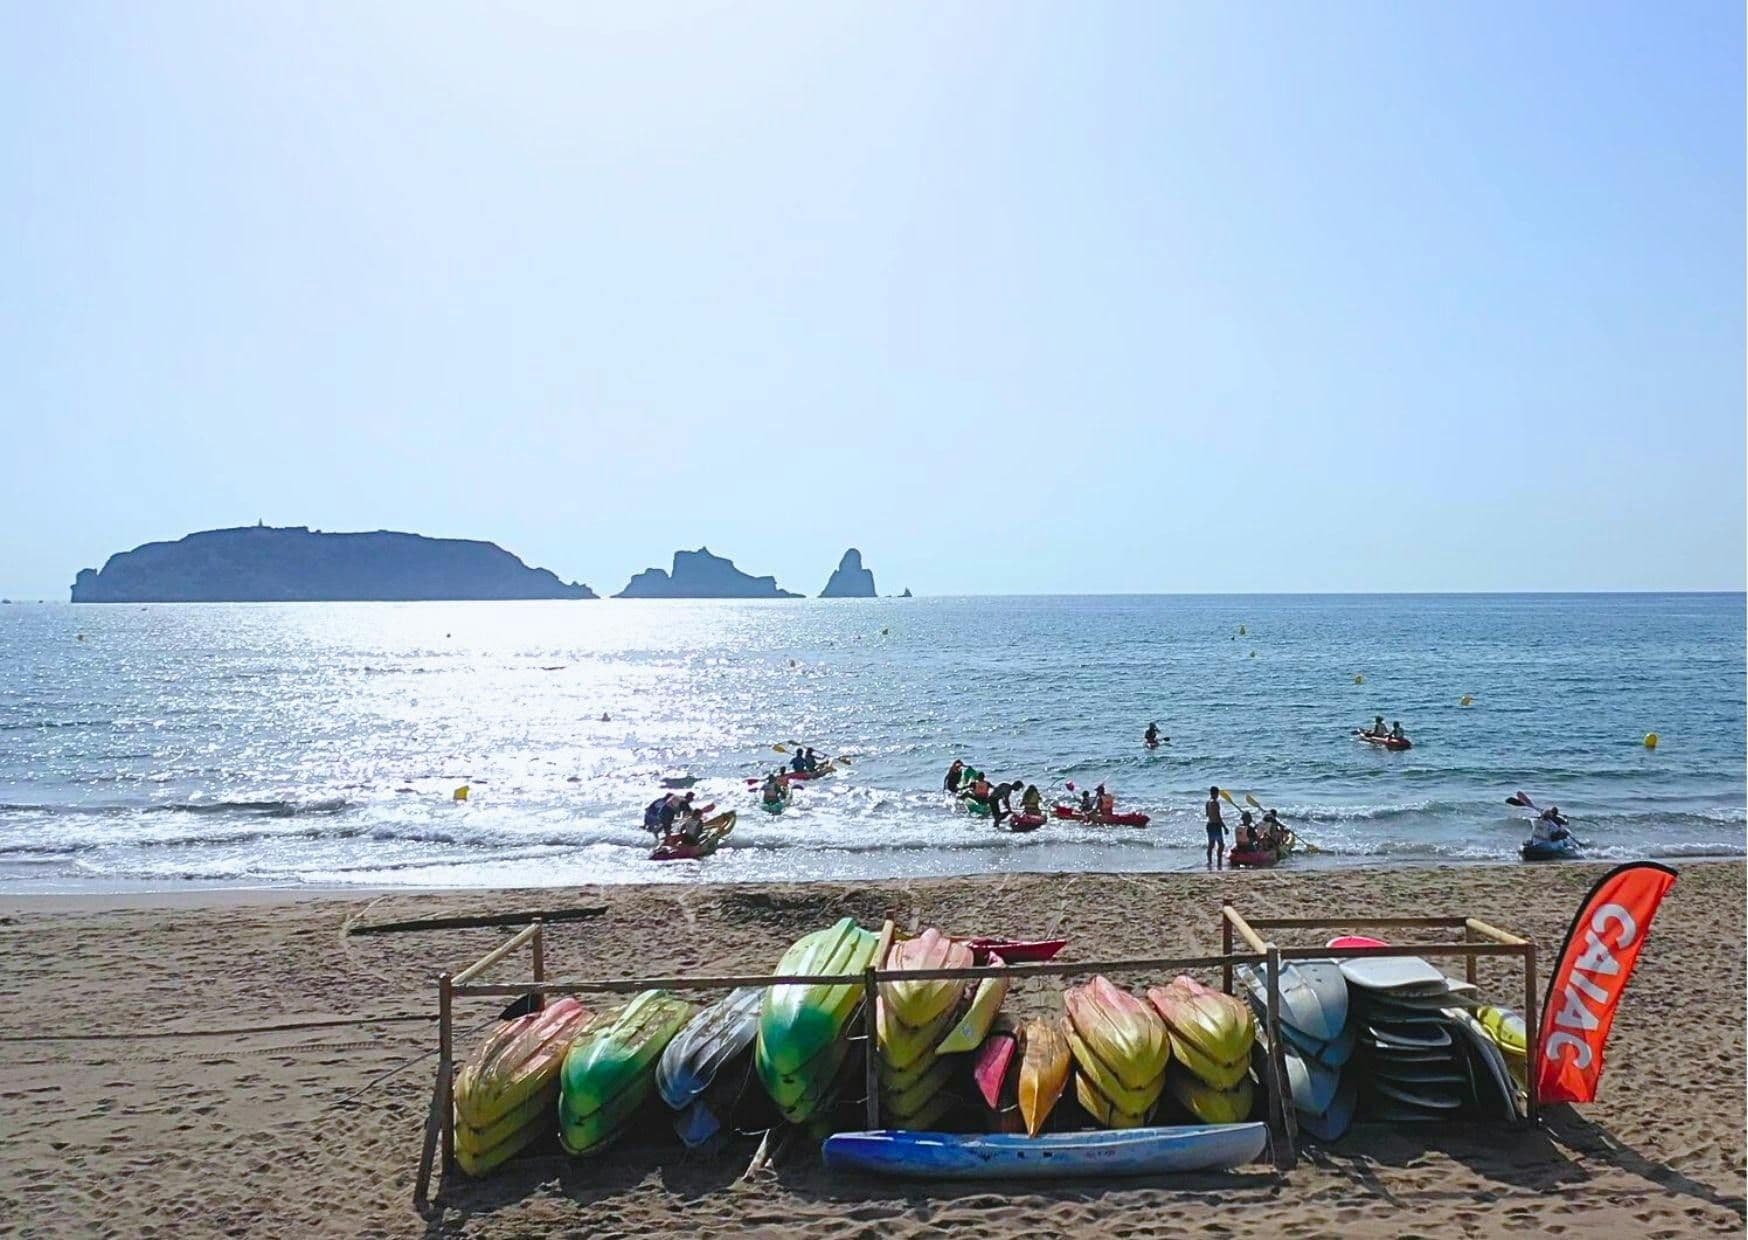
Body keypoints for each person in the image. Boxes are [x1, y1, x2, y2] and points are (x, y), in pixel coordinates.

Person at [1205, 786, 1227, 869]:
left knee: (1211, 845)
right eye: (1217, 793)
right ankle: (1219, 861)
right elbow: (1218, 817)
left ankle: (1210, 862)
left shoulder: (1207, 802)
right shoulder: (1215, 803)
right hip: (1216, 825)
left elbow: (1207, 814)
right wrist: (1224, 827)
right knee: (1221, 845)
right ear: (1215, 793)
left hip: (1209, 825)